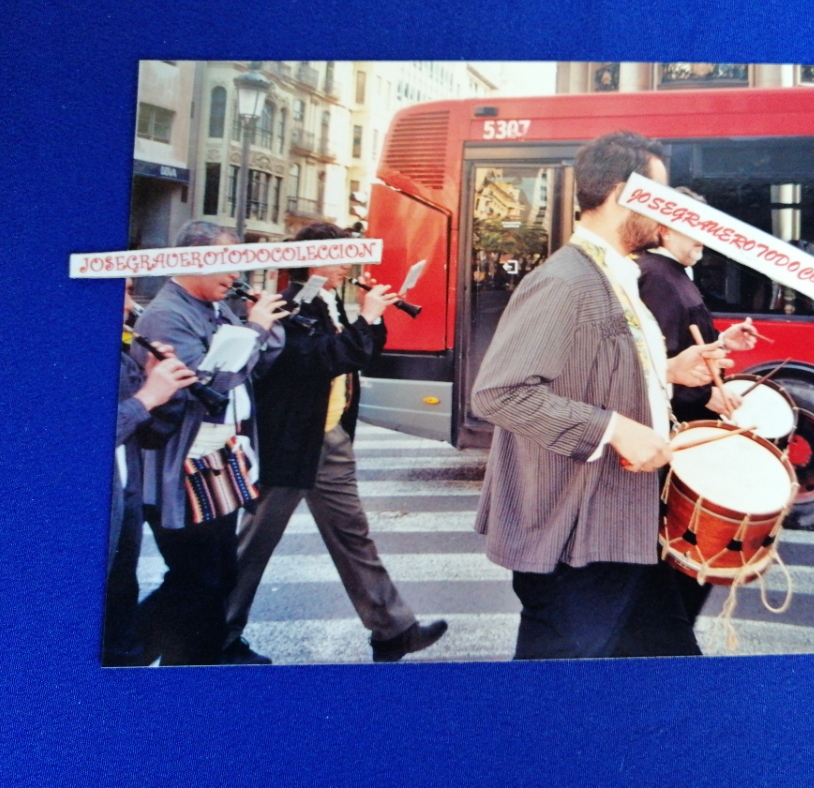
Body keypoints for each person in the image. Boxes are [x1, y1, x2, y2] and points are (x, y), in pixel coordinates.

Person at [472, 131, 732, 660]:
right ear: (620, 194)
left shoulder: (616, 276)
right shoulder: (567, 281)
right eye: (659, 198)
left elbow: (589, 367)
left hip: (620, 523)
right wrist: (614, 429)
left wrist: (669, 371)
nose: (667, 214)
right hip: (578, 538)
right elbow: (500, 393)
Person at [223, 222, 447, 664]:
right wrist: (368, 318)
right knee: (252, 547)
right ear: (312, 259)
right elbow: (326, 359)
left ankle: (393, 629)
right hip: (290, 442)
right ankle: (217, 637)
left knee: (353, 536)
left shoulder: (328, 303)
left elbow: (359, 354)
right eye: (339, 255)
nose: (348, 264)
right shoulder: (288, 307)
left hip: (329, 438)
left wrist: (373, 317)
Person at [134, 222, 287, 665]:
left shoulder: (215, 306)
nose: (234, 274)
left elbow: (260, 363)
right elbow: (207, 387)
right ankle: (132, 650)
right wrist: (254, 330)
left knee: (217, 572)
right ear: (191, 261)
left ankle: (196, 653)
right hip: (180, 467)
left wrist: (263, 323)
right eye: (226, 263)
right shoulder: (168, 315)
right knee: (196, 576)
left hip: (215, 460)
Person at [635, 191, 762, 624]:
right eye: (695, 225)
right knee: (681, 572)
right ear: (664, 227)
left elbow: (680, 347)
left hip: (684, 434)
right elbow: (655, 364)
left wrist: (723, 341)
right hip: (678, 438)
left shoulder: (669, 273)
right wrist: (705, 395)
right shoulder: (658, 278)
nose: (704, 236)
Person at [103, 280, 196, 666]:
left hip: (125, 500)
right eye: (120, 292)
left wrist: (163, 385)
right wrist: (146, 398)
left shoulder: (123, 358)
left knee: (120, 600)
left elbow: (153, 436)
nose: (129, 304)